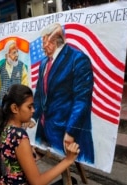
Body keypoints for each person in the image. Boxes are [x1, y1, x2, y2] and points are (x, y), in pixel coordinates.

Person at [0, 84, 80, 185]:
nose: (33, 110)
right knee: (71, 181)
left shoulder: (3, 129)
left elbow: (12, 161)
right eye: (29, 107)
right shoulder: (18, 135)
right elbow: (37, 182)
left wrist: (32, 156)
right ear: (15, 108)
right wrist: (68, 160)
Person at [33, 23, 94, 164]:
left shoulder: (78, 59)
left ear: (54, 41)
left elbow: (81, 100)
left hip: (64, 132)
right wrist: (33, 117)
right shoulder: (44, 63)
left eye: (44, 42)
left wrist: (70, 132)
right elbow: (40, 93)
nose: (42, 47)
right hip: (43, 131)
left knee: (66, 164)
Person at [0, 39, 29, 124]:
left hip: (16, 110)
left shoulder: (21, 67)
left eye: (17, 52)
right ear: (7, 55)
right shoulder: (0, 69)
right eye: (14, 53)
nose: (17, 55)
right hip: (2, 110)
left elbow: (26, 89)